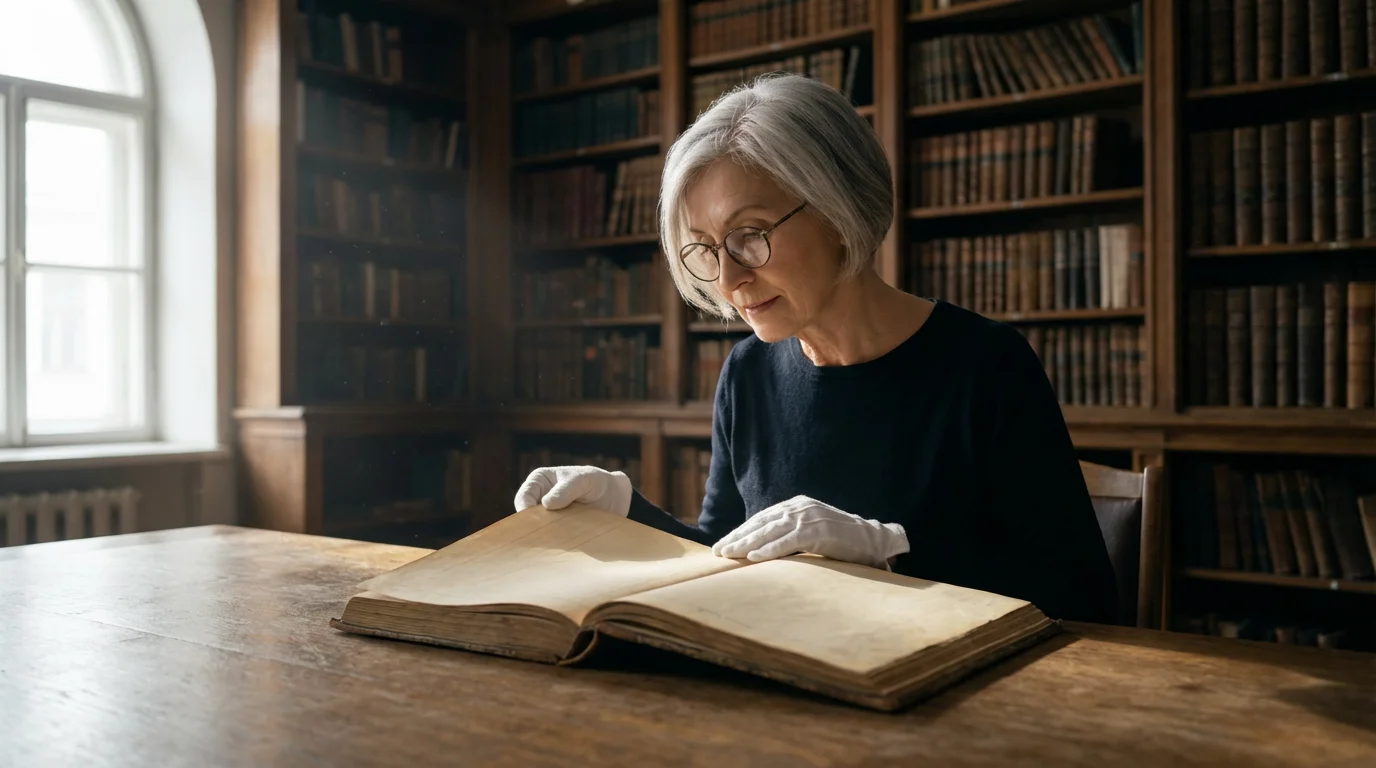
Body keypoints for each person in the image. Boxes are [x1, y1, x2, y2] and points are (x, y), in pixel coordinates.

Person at [514, 73, 1120, 625]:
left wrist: (891, 552)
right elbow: (725, 554)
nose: (727, 281)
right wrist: (624, 509)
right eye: (705, 248)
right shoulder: (747, 372)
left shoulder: (987, 365)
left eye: (750, 237)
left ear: (838, 208)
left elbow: (1082, 600)